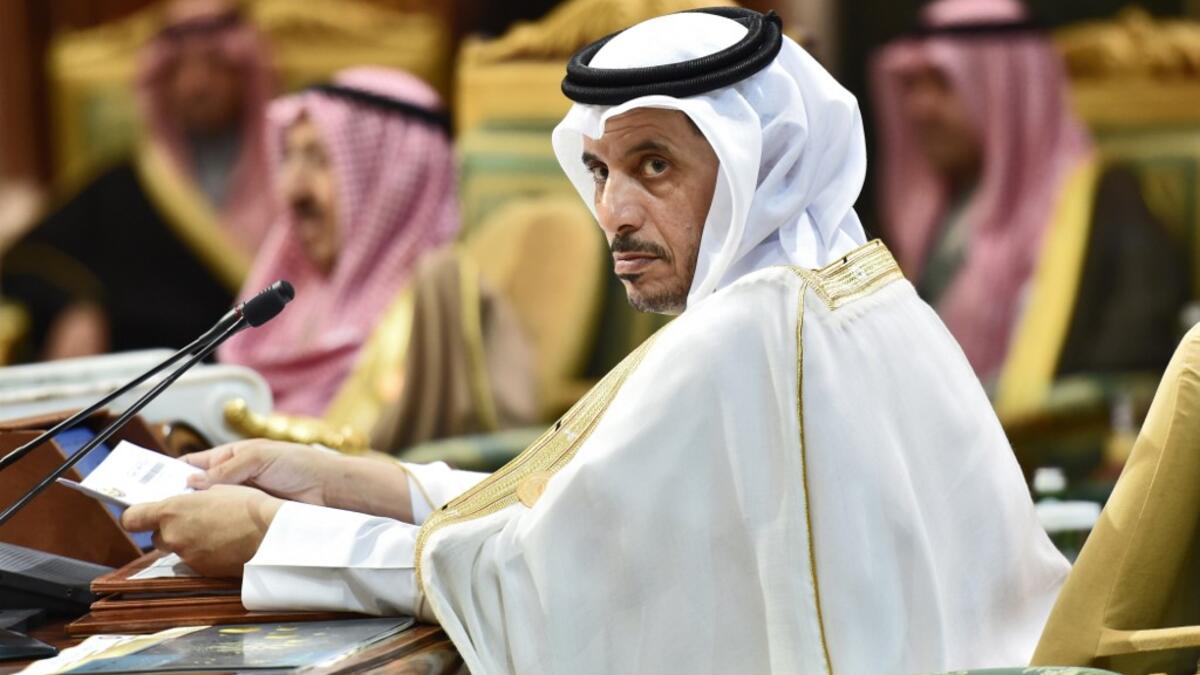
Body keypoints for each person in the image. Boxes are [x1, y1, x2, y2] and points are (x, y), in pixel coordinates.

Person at [123, 8, 1067, 673]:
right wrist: (349, 480)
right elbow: (588, 505)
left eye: (655, 165)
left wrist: (275, 536)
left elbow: (541, 578)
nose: (613, 211)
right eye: (600, 169)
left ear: (760, 167)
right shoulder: (858, 289)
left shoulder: (743, 335)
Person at [872, 0, 1187, 409]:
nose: (918, 108)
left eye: (943, 83)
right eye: (913, 85)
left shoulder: (1103, 203)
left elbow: (1125, 374)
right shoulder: (933, 214)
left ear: (1003, 87)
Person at [1, 0, 275, 359]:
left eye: (215, 65)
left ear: (246, 73)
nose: (196, 85)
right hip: (147, 378)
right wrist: (75, 307)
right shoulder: (124, 187)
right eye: (179, 69)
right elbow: (29, 259)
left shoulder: (296, 183)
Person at [217, 67, 459, 417]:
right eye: (289, 157)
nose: (292, 190)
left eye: (320, 159)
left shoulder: (430, 312)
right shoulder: (299, 299)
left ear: (392, 177)